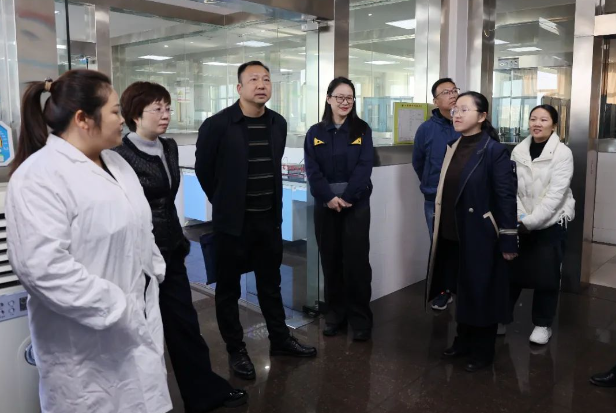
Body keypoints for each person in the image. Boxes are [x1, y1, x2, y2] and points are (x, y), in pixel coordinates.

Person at [5, 70, 171, 413]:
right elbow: (43, 269)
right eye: (114, 111)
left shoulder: (117, 164)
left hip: (137, 323)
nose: (122, 119)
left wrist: (154, 269)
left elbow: (140, 225)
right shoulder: (39, 177)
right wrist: (118, 307)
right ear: (83, 119)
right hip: (84, 347)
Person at [113, 81, 248, 412]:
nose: (165, 115)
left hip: (171, 251)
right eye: (157, 109)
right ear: (134, 115)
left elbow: (169, 199)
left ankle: (204, 394)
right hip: (138, 258)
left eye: (168, 108)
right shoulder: (118, 155)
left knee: (185, 325)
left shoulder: (169, 147)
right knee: (140, 332)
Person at [195, 61, 317, 381]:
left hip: (268, 221)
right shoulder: (217, 125)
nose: (261, 85)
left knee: (270, 284)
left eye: (266, 79)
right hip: (232, 224)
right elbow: (204, 170)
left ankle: (280, 339)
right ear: (239, 88)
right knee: (228, 289)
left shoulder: (278, 123)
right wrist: (225, 203)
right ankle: (236, 349)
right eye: (253, 80)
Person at [425, 91, 518, 372]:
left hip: (480, 234)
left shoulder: (494, 151)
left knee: (481, 291)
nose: (457, 114)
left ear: (482, 116)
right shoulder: (453, 146)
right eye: (456, 110)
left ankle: (483, 350)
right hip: (452, 233)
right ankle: (463, 340)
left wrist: (508, 238)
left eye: (465, 110)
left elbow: (506, 198)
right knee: (460, 289)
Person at [304, 77, 374, 342]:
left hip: (356, 205)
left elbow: (364, 166)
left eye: (350, 98)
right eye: (340, 97)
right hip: (325, 206)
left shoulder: (362, 130)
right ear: (328, 98)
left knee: (356, 264)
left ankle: (360, 319)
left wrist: (347, 197)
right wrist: (328, 198)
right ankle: (335, 316)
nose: (345, 102)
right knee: (330, 261)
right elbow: (312, 170)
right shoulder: (315, 132)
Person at [506, 105, 574, 345]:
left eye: (543, 120)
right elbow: (510, 187)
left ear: (554, 125)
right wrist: (520, 216)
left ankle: (542, 325)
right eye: (533, 119)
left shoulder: (562, 153)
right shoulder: (518, 150)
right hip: (520, 220)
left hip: (551, 222)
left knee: (547, 277)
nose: (537, 123)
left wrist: (532, 222)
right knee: (511, 273)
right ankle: (503, 317)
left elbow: (557, 195)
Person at [412, 78, 460, 311]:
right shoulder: (426, 129)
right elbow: (418, 162)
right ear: (436, 101)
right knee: (439, 246)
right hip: (435, 199)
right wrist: (432, 184)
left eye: (454, 90)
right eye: (446, 92)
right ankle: (443, 291)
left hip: (464, 198)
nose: (452, 95)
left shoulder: (467, 123)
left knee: (466, 244)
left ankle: (465, 289)